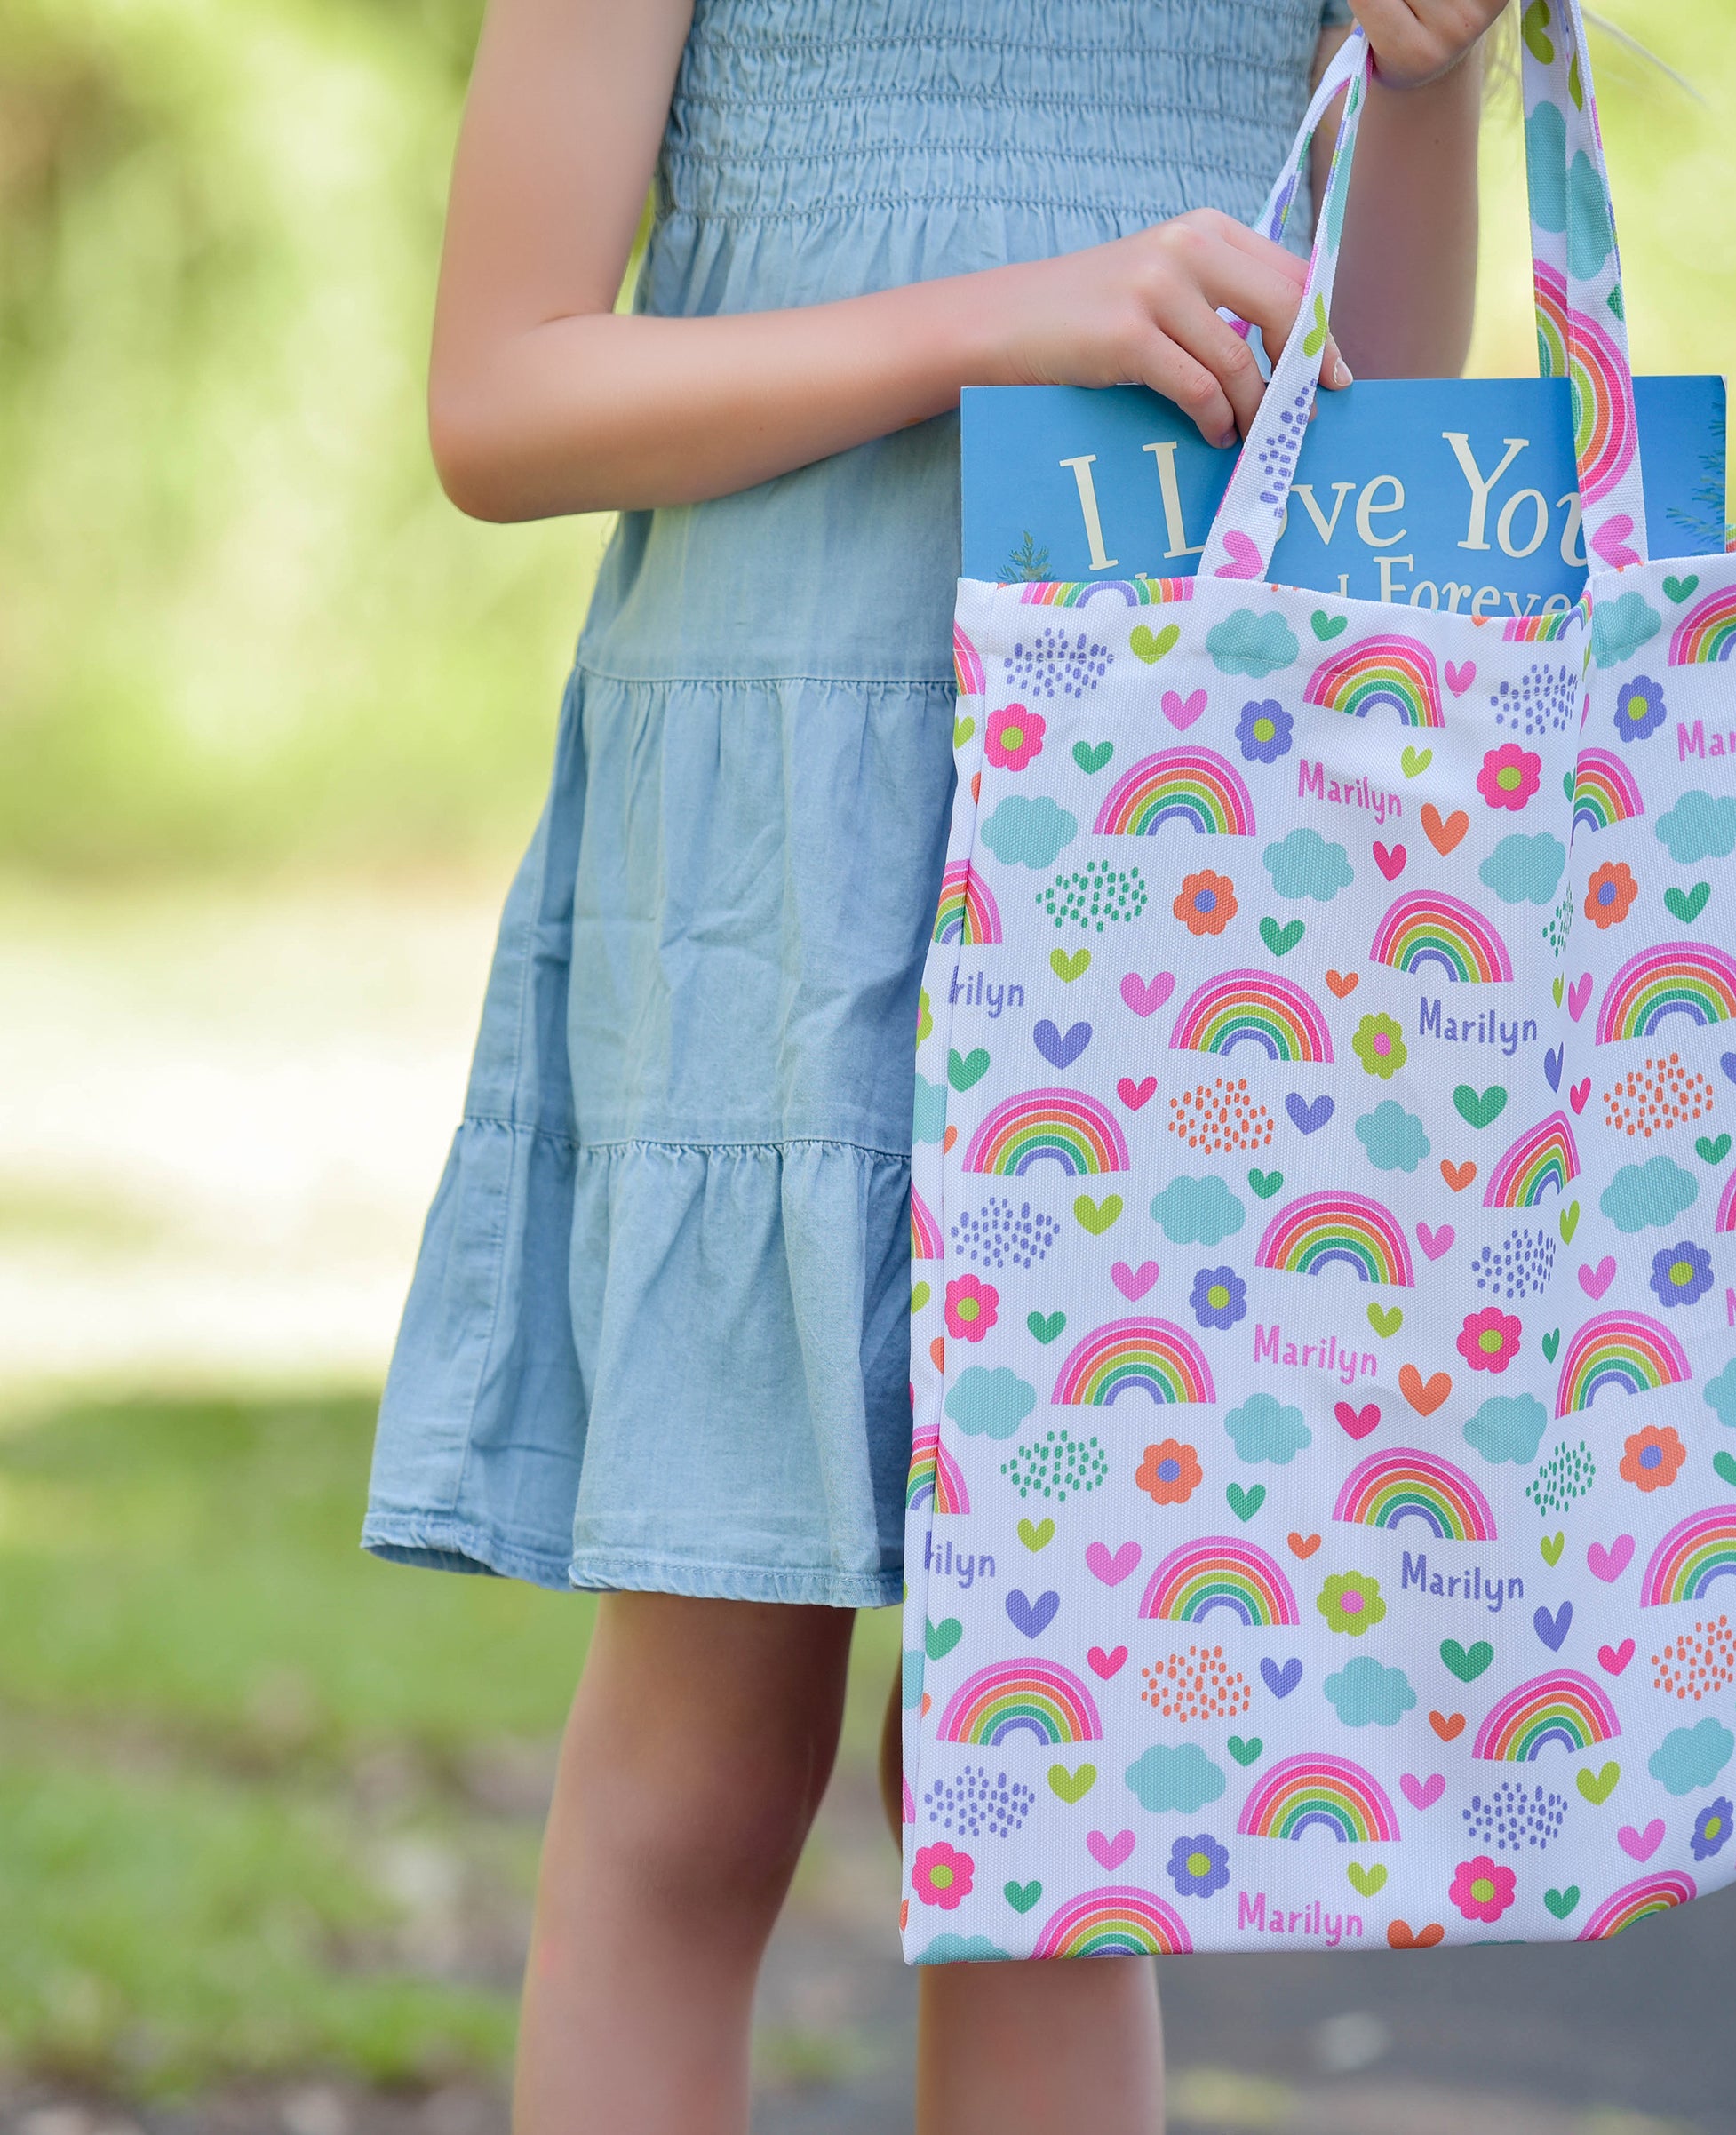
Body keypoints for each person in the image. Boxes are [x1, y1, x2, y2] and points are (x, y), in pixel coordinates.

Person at [364, 1, 1505, 2127]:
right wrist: (1011, 321)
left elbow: (1392, 427)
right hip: (789, 854)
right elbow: (500, 392)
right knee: (702, 1772)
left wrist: (1429, 82)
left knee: (1055, 1821)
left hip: (1175, 878)